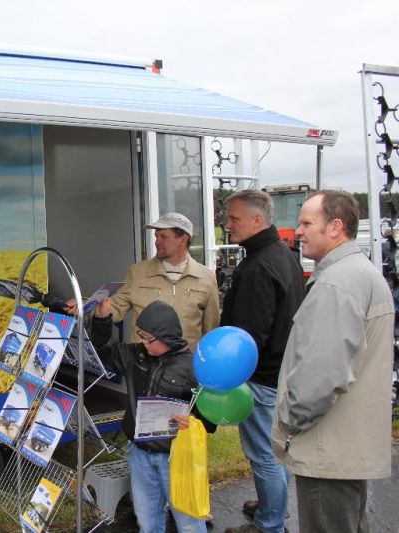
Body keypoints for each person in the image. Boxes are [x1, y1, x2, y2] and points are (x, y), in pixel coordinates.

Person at [271, 190, 393, 532]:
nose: (297, 231)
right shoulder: (358, 274)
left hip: (327, 448)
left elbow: (320, 376)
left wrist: (287, 424)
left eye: (307, 222)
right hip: (344, 446)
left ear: (336, 227)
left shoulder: (338, 283)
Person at [220, 189, 305, 533]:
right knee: (276, 453)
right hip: (282, 374)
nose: (227, 226)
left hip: (260, 378)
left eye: (233, 218)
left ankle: (270, 524)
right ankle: (273, 508)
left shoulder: (257, 267)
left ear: (258, 220)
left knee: (264, 457)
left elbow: (249, 337)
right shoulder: (284, 257)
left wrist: (230, 374)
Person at [90, 299, 214, 533]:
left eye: (149, 338)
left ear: (167, 337)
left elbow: (211, 415)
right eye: (141, 335)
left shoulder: (192, 367)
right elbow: (100, 350)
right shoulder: (135, 356)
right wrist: (102, 319)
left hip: (175, 457)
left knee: (188, 522)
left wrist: (195, 419)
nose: (144, 343)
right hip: (140, 454)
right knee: (146, 520)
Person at [67, 212, 219, 352]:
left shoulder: (206, 277)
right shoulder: (138, 272)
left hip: (187, 369)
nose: (157, 241)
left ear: (183, 239)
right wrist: (86, 306)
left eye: (163, 237)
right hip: (143, 366)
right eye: (156, 236)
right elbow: (115, 307)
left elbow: (211, 330)